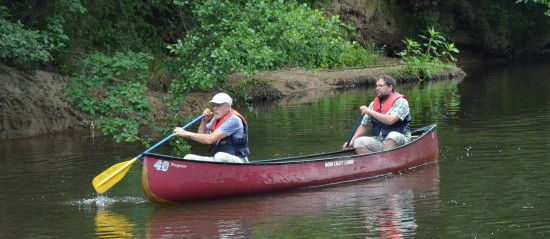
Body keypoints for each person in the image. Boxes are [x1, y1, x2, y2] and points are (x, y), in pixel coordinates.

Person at [343, 75, 411, 154]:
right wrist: (351, 141)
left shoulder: (401, 102)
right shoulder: (373, 104)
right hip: (380, 141)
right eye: (377, 86)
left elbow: (390, 120)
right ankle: (375, 163)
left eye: (381, 86)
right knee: (358, 142)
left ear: (390, 87)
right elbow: (365, 125)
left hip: (399, 140)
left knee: (393, 135)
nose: (377, 88)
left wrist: (370, 112)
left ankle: (386, 162)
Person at [173, 93, 249, 163]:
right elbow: (202, 136)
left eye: (218, 105)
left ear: (228, 107)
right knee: (188, 157)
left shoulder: (234, 120)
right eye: (214, 105)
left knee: (219, 156)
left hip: (239, 160)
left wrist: (186, 133)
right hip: (219, 161)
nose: (215, 108)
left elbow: (210, 139)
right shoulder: (216, 118)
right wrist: (204, 121)